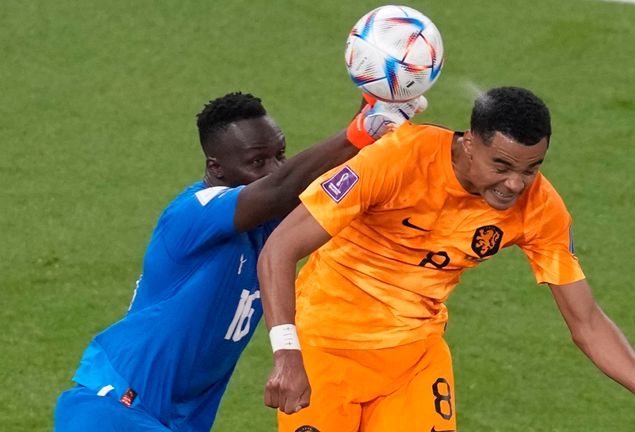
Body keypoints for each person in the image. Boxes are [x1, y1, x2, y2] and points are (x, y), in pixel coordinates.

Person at [257, 86, 635, 431]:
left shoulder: (541, 208)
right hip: (324, 351)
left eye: (531, 168)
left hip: (413, 361)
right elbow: (280, 248)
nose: (516, 184)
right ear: (468, 143)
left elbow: (587, 322)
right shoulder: (395, 160)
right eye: (503, 166)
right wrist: (287, 354)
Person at [53, 91, 425, 431]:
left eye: (280, 155)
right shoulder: (191, 214)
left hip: (176, 418)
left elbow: (327, 183)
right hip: (116, 406)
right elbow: (281, 189)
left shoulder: (270, 223)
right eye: (257, 161)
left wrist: (379, 112)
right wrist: (359, 131)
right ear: (217, 169)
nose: (274, 168)